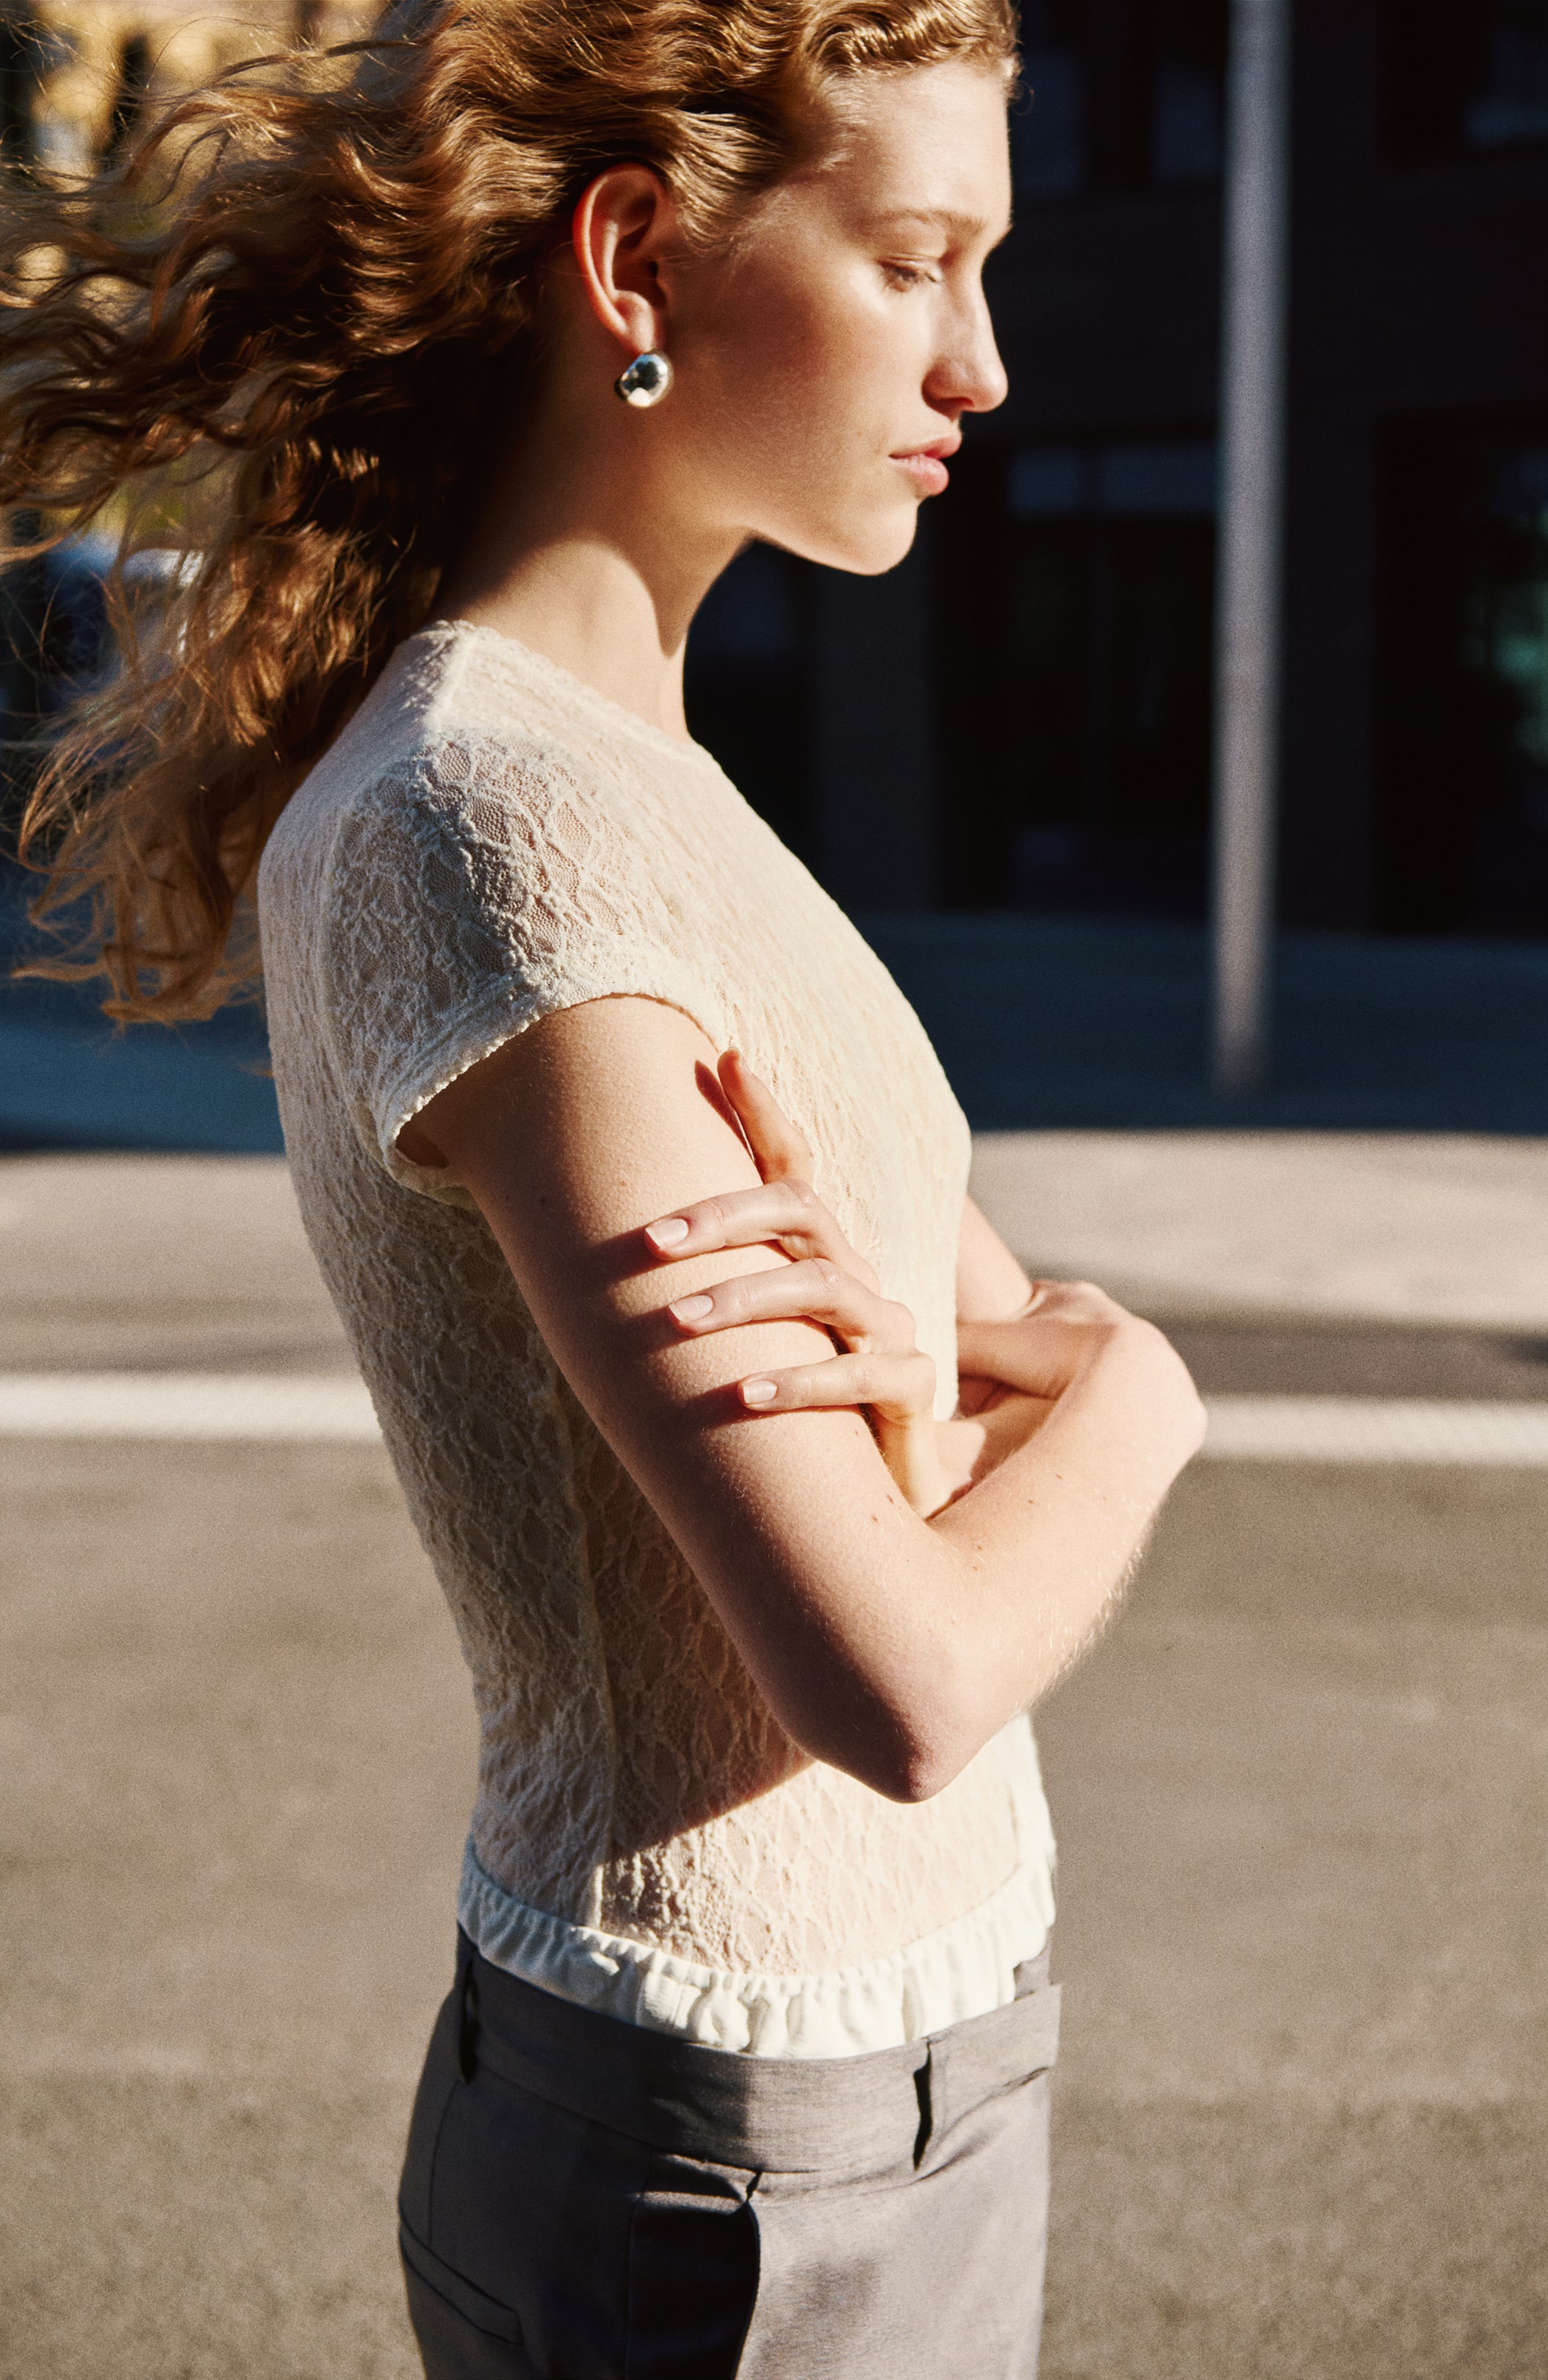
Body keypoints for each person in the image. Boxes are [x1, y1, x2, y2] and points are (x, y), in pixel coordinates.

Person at [3, 3, 1206, 2371]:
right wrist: (1151, 1384)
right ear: (637, 261)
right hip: (741, 2142)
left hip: (908, 2058)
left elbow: (951, 1361)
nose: (981, 364)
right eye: (915, 260)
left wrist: (1010, 1385)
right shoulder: (498, 828)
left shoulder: (643, 782)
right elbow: (910, 1663)